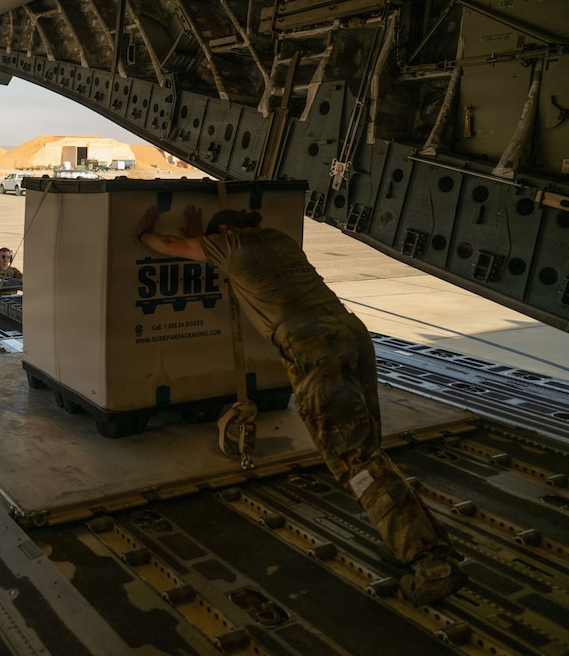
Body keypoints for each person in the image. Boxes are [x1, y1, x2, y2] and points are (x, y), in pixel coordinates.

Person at [135, 204, 468, 606]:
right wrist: (201, 235)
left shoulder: (230, 244)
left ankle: (432, 561)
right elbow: (219, 255)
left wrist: (141, 234)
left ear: (223, 230)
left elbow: (168, 245)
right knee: (370, 450)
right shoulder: (277, 239)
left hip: (312, 345)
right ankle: (407, 539)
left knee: (354, 461)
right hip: (348, 331)